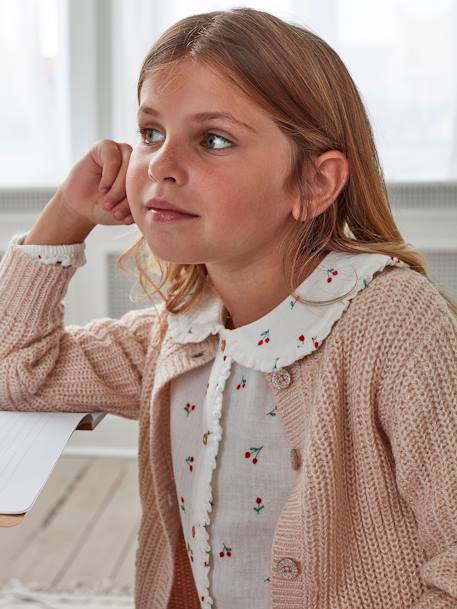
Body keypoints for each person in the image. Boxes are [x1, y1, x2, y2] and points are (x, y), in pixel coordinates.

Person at [0, 7, 456, 609]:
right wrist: (64, 215)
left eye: (213, 140)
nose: (160, 166)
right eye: (150, 134)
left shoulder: (394, 323)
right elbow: (18, 371)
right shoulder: (182, 332)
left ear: (314, 184)